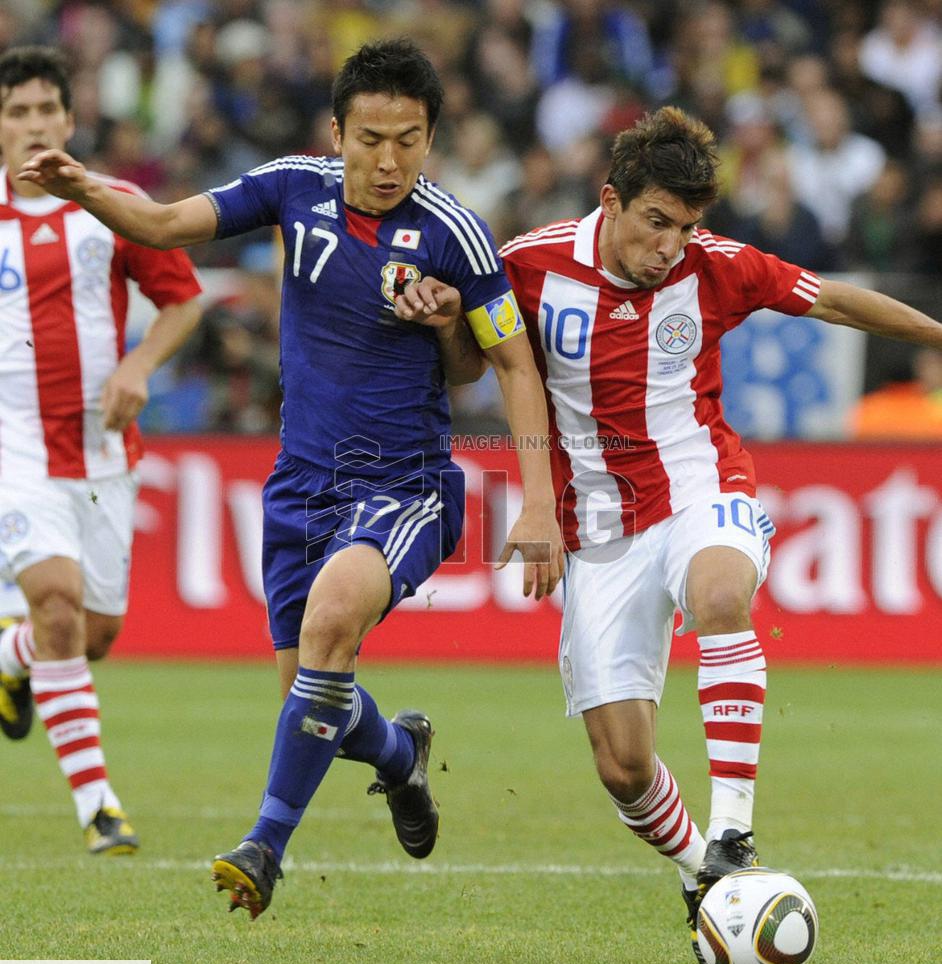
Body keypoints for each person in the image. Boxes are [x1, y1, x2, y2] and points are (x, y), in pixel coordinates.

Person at [19, 38, 563, 917]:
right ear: (337, 130)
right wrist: (86, 189)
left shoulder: (455, 233)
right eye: (372, 137)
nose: (389, 160)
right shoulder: (291, 187)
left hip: (406, 487)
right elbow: (162, 226)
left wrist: (537, 499)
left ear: (432, 139)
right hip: (299, 486)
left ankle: (264, 847)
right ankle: (400, 755)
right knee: (316, 696)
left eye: (411, 140)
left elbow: (504, 365)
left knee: (334, 618)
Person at [497, 105, 942, 963]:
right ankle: (709, 876)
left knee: (721, 593)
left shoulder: (717, 268)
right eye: (657, 222)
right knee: (624, 770)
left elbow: (835, 299)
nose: (670, 246)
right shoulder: (531, 265)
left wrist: (936, 332)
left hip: (703, 488)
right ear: (611, 200)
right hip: (598, 532)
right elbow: (473, 361)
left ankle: (735, 836)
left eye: (687, 227)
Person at [0, 47, 203, 854]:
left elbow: (182, 302)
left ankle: (11, 660)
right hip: (14, 452)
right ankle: (99, 810)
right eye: (18, 112)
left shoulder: (113, 206)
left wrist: (138, 364)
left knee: (90, 633)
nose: (35, 124)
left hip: (105, 453)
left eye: (47, 109)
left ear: (71, 120)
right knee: (53, 601)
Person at [849, 345, 942, 439]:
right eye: (925, 365)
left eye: (934, 364)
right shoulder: (873, 406)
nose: (930, 371)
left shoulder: (870, 406)